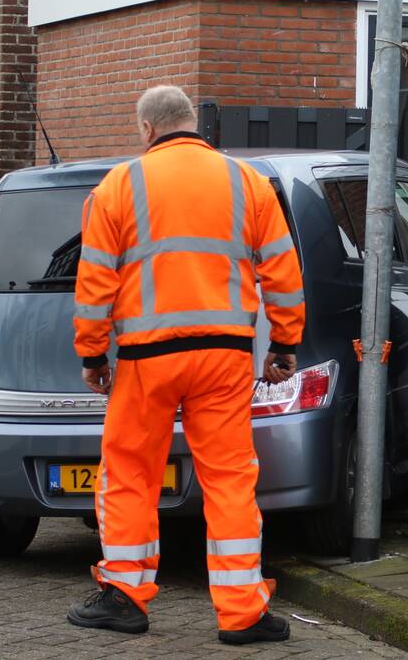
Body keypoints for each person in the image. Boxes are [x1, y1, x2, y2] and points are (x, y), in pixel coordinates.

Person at [66, 85, 305, 645]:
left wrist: (93, 353)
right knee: (229, 478)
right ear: (193, 125)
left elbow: (95, 281)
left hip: (148, 360)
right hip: (224, 356)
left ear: (147, 129)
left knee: (130, 473)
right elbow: (283, 274)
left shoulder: (119, 186)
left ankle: (125, 597)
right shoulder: (247, 183)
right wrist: (284, 345)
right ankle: (243, 612)